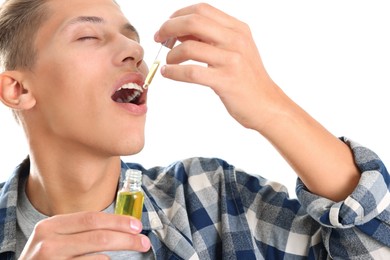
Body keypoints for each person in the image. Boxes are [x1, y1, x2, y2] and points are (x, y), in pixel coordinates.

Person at [0, 0, 389, 259]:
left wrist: (271, 107)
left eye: (130, 37)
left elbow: (375, 245)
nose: (133, 51)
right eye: (88, 36)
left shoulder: (213, 199)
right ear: (19, 89)